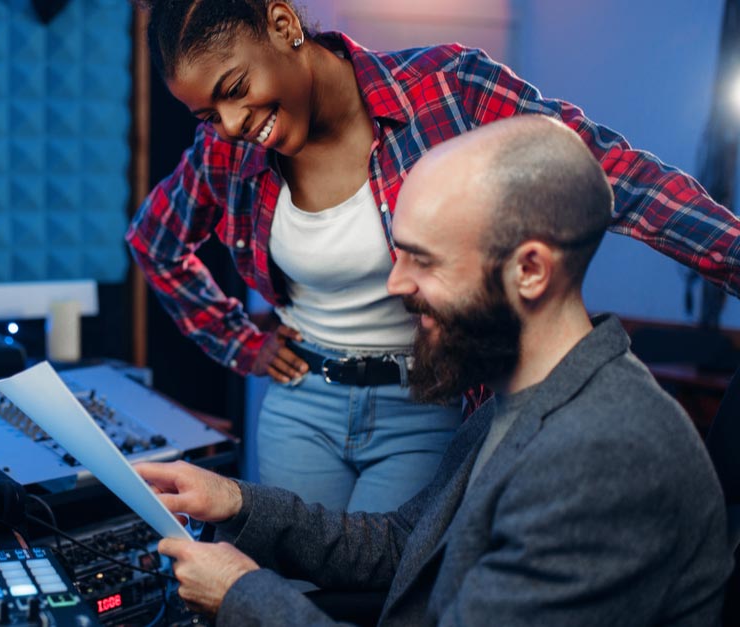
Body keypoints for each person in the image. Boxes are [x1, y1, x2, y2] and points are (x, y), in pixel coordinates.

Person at [126, 0, 740, 512]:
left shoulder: (446, 89)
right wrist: (239, 341)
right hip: (300, 403)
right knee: (292, 588)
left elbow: (614, 175)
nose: (231, 124)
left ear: (285, 26)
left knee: (390, 590)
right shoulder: (225, 154)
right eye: (209, 115)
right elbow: (156, 242)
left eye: (235, 90)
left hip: (424, 402)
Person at [134, 115, 733, 625]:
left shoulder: (605, 456)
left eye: (422, 259)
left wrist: (242, 595)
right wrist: (234, 501)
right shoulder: (521, 396)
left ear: (530, 270)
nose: (396, 285)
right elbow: (402, 546)